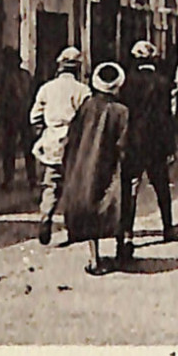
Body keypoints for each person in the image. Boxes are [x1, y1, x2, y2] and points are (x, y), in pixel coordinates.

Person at [61, 61, 130, 276]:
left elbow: (72, 135)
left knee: (90, 204)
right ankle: (121, 248)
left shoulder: (86, 106)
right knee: (117, 202)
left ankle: (94, 258)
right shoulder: (121, 111)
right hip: (111, 165)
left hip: (86, 163)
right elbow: (124, 143)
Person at [118, 41, 178, 261]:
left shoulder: (126, 83)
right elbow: (166, 118)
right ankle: (168, 227)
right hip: (156, 144)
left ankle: (127, 234)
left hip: (133, 144)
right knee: (162, 187)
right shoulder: (163, 84)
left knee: (129, 189)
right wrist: (170, 146)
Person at [29, 46, 89, 246]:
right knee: (74, 186)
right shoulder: (82, 90)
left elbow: (34, 117)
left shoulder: (46, 88)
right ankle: (72, 227)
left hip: (53, 142)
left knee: (51, 184)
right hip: (74, 143)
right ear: (77, 68)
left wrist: (44, 132)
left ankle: (46, 216)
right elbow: (87, 119)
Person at [0, 46, 36, 193]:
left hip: (12, 116)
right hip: (26, 115)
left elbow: (3, 97)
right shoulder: (26, 76)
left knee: (9, 149)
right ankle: (32, 180)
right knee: (28, 149)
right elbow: (32, 94)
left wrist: (3, 113)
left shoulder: (7, 77)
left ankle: (9, 180)